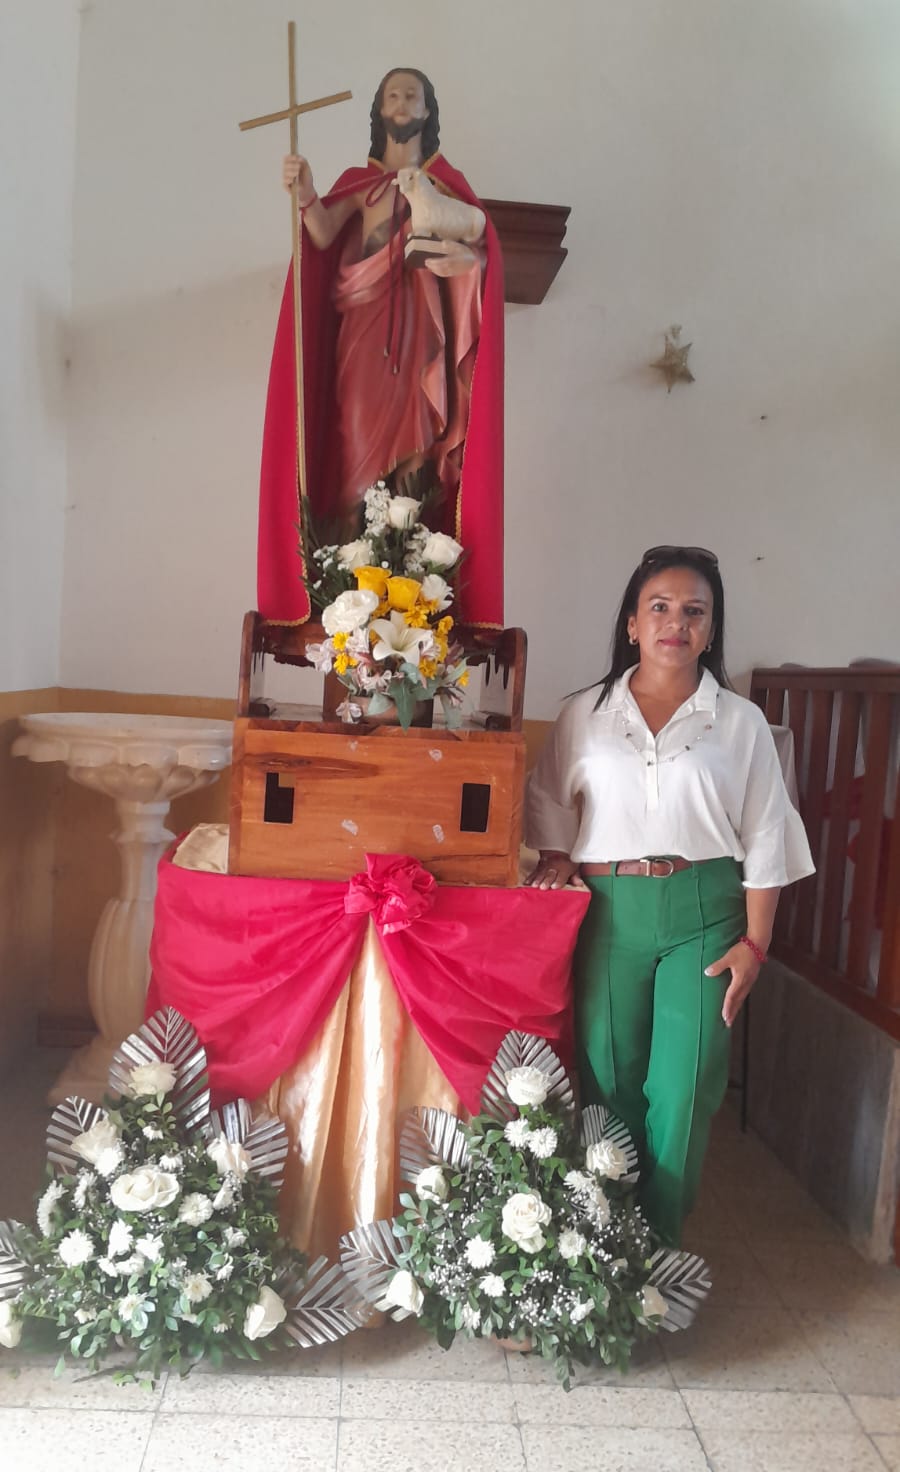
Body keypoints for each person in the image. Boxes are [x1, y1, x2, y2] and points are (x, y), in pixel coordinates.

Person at [525, 547, 814, 1244]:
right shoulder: (584, 714)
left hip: (706, 911)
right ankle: (603, 1239)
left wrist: (756, 945)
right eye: (659, 607)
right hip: (608, 910)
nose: (675, 623)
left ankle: (657, 1249)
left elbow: (767, 834)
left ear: (711, 631)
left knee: (684, 1085)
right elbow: (549, 802)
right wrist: (558, 858)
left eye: (694, 611)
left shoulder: (740, 722)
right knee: (610, 1076)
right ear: (632, 623)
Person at [257, 67, 504, 627]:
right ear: (379, 110)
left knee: (417, 449)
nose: (402, 102)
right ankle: (348, 590)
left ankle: (406, 581)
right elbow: (322, 233)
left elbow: (478, 253)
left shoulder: (443, 188)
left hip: (421, 340)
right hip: (362, 339)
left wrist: (470, 263)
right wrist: (305, 192)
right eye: (393, 94)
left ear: (427, 110)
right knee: (355, 457)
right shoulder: (358, 186)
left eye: (412, 94)